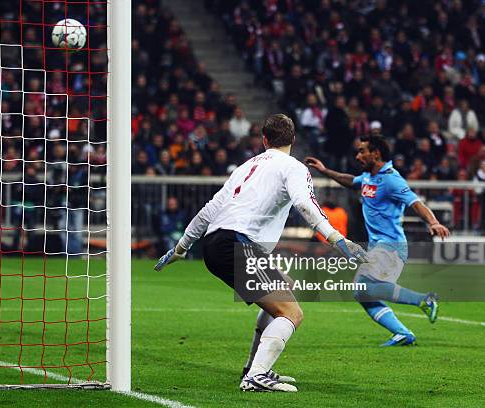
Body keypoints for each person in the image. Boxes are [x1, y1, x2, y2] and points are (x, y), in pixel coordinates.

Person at [154, 114, 367, 392]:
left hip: (215, 244)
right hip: (239, 244)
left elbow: (209, 210)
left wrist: (181, 247)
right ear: (293, 139)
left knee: (286, 287)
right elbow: (305, 204)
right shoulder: (293, 167)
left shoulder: (244, 167)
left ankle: (253, 366)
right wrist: (339, 239)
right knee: (292, 314)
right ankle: (256, 376)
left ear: (264, 140)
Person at [306, 135, 450, 346]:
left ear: (376, 153)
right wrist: (325, 171)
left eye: (362, 151)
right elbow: (350, 181)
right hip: (378, 246)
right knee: (360, 292)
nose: (358, 156)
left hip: (391, 246)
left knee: (365, 289)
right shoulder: (368, 177)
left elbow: (415, 202)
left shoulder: (391, 179)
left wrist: (433, 222)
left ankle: (423, 300)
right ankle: (402, 333)